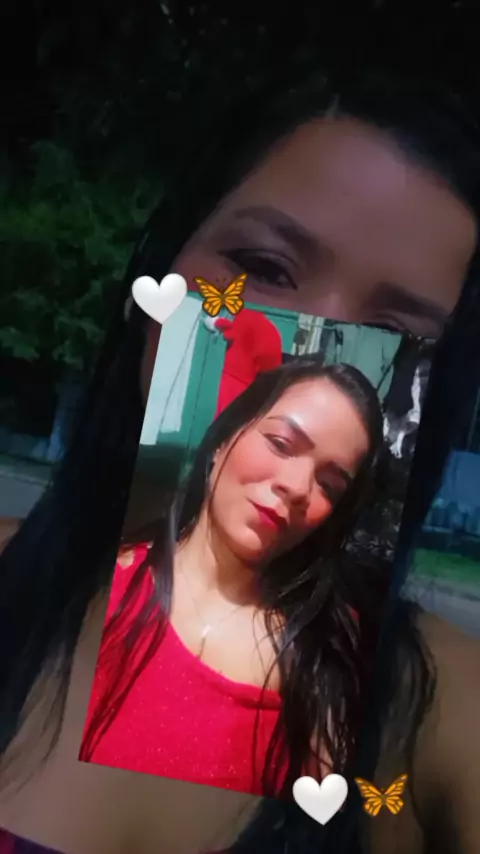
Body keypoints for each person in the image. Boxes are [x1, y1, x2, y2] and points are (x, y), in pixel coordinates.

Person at [0, 65, 479, 854]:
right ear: (157, 280)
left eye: (398, 332)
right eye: (265, 266)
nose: (309, 355)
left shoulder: (445, 710)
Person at [80, 361, 384, 794]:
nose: (299, 487)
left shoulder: (324, 658)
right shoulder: (96, 587)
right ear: (223, 440)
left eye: (329, 485)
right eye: (281, 444)